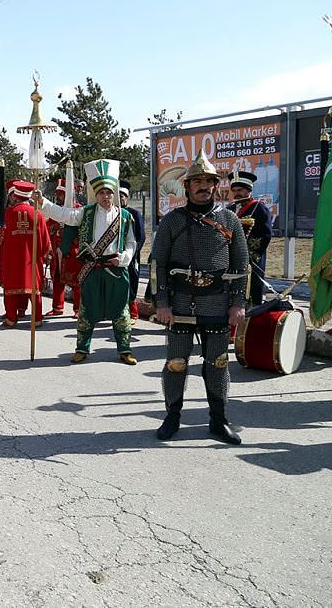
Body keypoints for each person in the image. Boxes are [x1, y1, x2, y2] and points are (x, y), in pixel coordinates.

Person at [151, 150, 248, 444]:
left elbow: (241, 266)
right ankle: (172, 417)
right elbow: (158, 265)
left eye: (209, 181)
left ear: (216, 186)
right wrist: (162, 303)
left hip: (216, 302)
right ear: (187, 186)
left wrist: (238, 304)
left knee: (217, 363)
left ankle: (218, 420)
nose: (203, 186)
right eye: (197, 181)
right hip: (180, 303)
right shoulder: (171, 221)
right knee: (176, 362)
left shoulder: (229, 221)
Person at [38, 160, 137, 365]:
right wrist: (43, 204)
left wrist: (124, 259)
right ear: (96, 194)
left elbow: (131, 243)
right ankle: (82, 349)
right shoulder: (86, 212)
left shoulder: (125, 216)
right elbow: (65, 215)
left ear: (114, 193)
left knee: (121, 312)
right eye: (101, 193)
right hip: (92, 269)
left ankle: (124, 349)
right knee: (87, 311)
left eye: (109, 192)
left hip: (116, 270)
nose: (106, 196)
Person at [0, 180, 50, 327]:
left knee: (11, 287)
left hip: (12, 259)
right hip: (32, 259)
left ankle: (11, 318)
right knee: (33, 288)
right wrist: (43, 255)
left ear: (15, 197)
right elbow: (45, 241)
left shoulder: (6, 215)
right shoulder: (38, 215)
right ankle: (37, 319)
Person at [226, 171, 272, 307]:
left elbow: (265, 234)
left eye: (240, 190)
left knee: (250, 291)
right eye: (234, 190)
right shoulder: (230, 208)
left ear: (249, 190)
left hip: (251, 259)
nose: (236, 193)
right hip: (230, 259)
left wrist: (246, 253)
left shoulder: (260, 208)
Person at [46, 179, 82, 318]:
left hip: (72, 252)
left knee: (76, 282)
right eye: (58, 194)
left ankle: (78, 309)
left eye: (61, 195)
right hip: (56, 251)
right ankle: (57, 307)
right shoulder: (56, 210)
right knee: (56, 279)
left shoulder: (78, 209)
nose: (59, 197)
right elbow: (48, 225)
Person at [118, 180, 145, 320]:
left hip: (131, 256)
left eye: (122, 196)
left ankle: (133, 314)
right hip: (116, 257)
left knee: (131, 282)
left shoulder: (134, 213)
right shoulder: (114, 213)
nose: (120, 198)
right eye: (118, 195)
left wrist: (132, 253)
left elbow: (141, 236)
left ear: (126, 198)